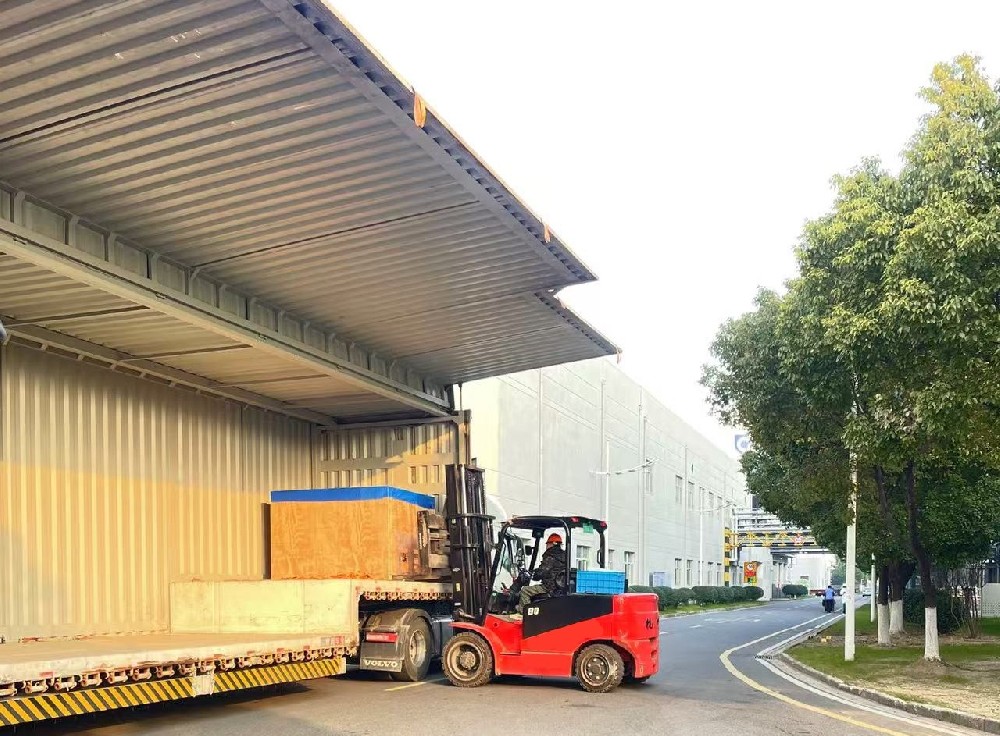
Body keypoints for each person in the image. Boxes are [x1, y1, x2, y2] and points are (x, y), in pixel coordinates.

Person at [517, 533, 567, 613]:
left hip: (549, 588)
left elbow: (542, 572)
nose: (546, 546)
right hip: (558, 588)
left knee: (525, 590)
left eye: (547, 544)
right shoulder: (564, 556)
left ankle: (524, 613)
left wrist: (535, 574)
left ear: (551, 544)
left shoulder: (550, 556)